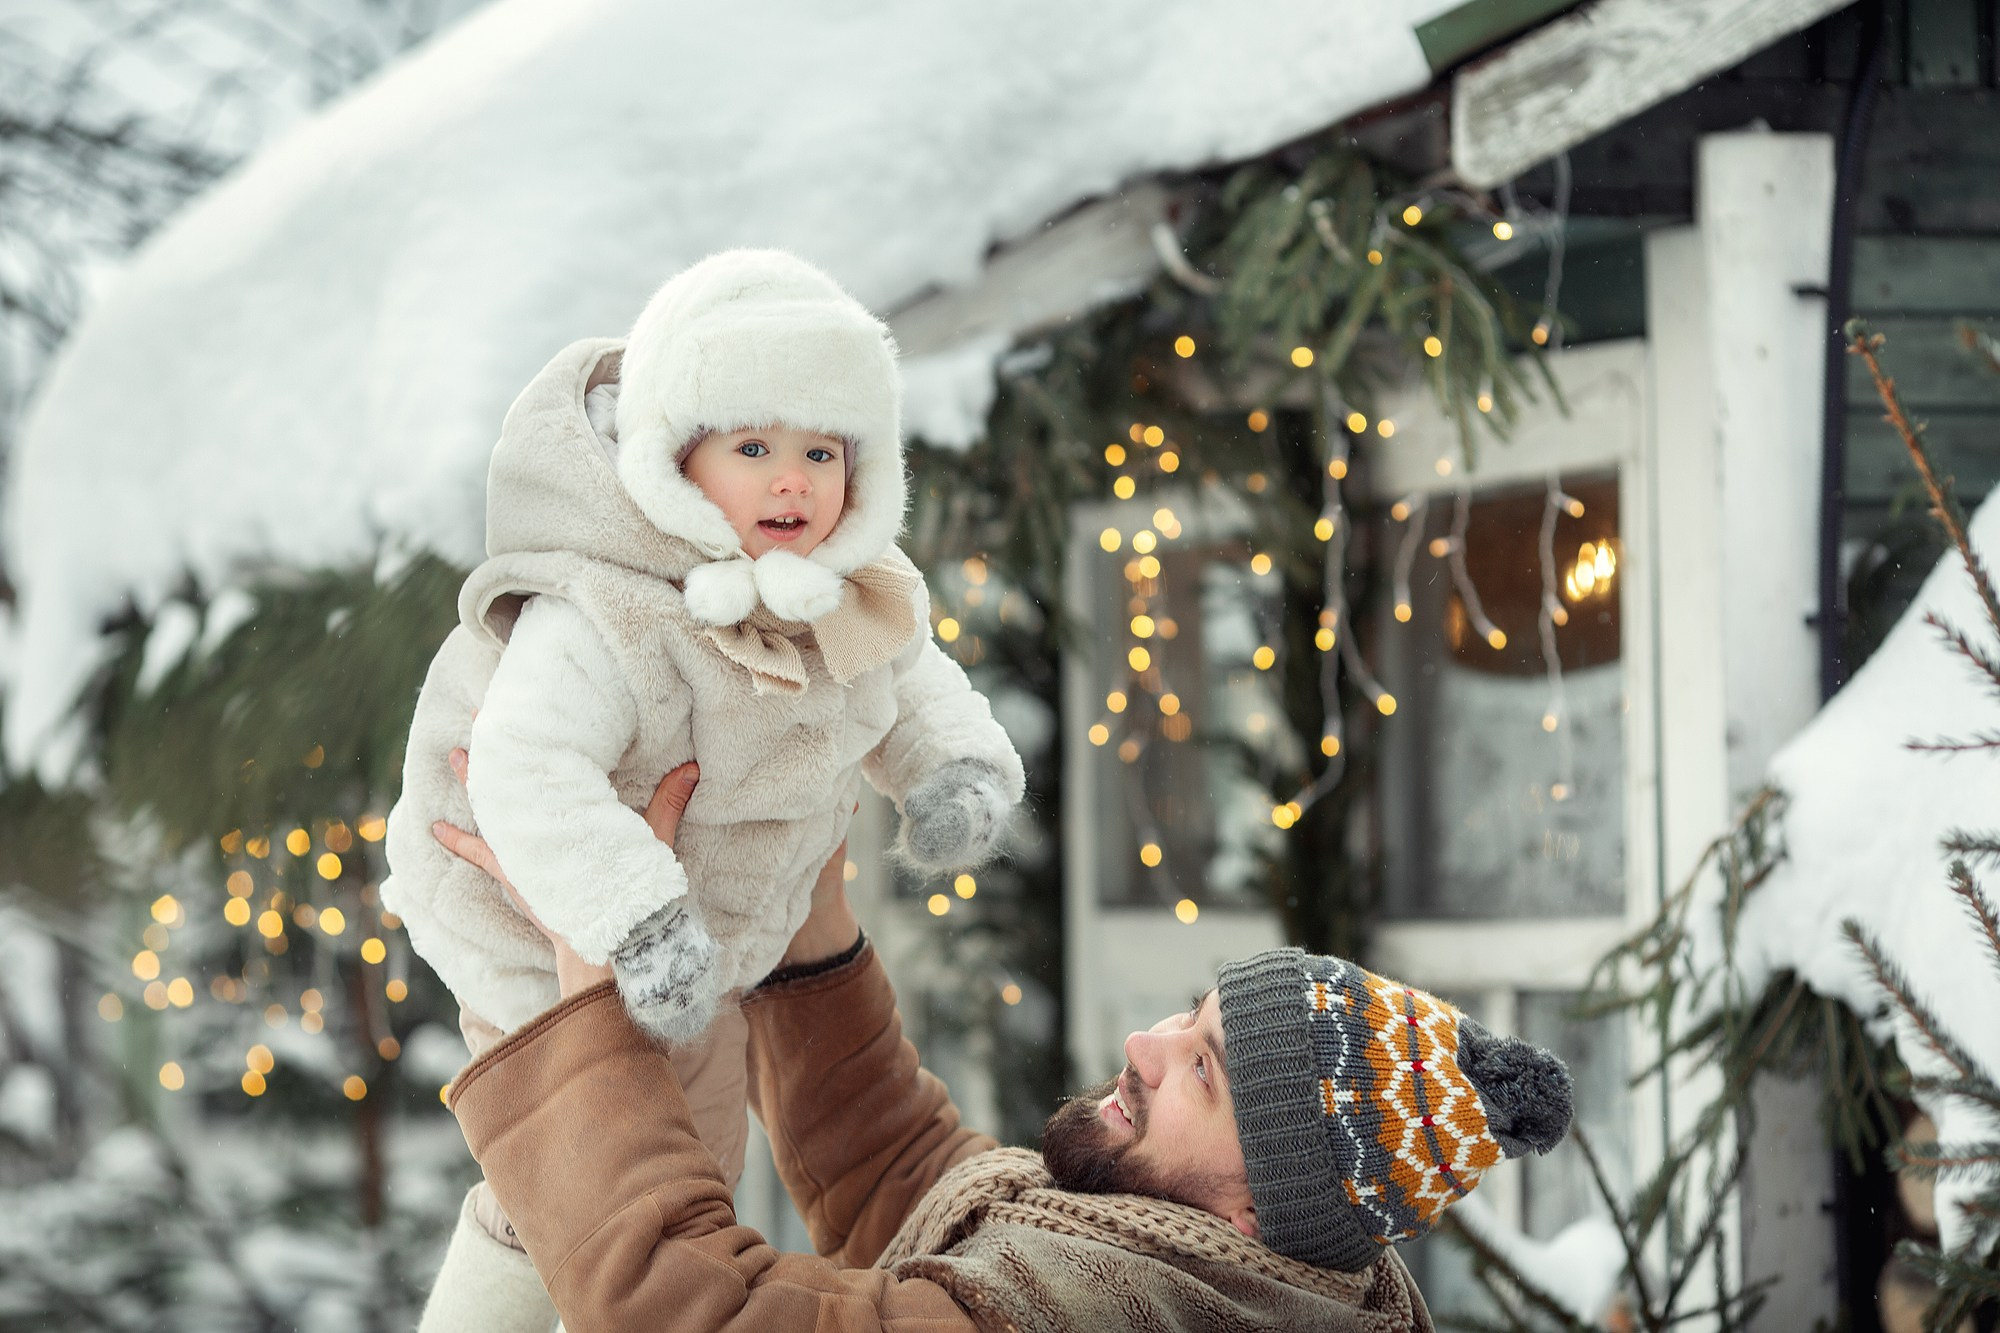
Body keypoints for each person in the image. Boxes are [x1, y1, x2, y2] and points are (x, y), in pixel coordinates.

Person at [381, 250, 1023, 1312]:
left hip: (714, 945)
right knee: (576, 1188)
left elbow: (914, 681)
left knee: (696, 1184)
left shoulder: (853, 591)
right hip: (544, 919)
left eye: (821, 450)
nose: (791, 479)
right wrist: (630, 921)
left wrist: (947, 769)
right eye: (754, 446)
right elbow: (522, 761)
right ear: (677, 457)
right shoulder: (606, 610)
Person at [427, 762, 1576, 1333]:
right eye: (1190, 1016)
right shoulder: (1229, 1276)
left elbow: (692, 1311)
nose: (1144, 1043)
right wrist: (806, 926)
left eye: (1200, 1073)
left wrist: (594, 1010)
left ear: (1252, 1211)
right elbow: (909, 1176)